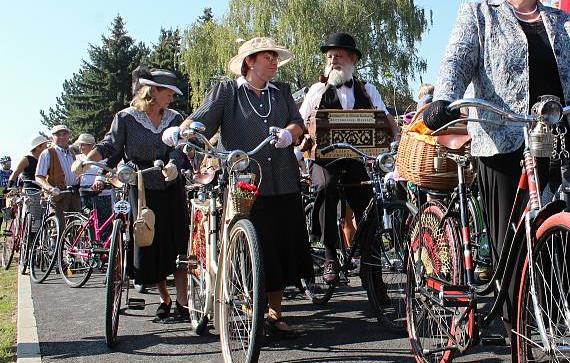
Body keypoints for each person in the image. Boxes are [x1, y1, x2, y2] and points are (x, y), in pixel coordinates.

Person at [423, 0, 570, 363]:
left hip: (562, 143)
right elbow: (455, 64)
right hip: (506, 145)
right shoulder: (479, 15)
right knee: (517, 254)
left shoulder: (563, 23)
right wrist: (443, 101)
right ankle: (527, 353)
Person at [164, 36, 311, 338]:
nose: (274, 62)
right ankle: (245, 303)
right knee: (250, 245)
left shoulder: (281, 92)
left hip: (282, 178)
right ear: (250, 62)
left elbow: (299, 124)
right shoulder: (228, 92)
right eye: (267, 56)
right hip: (244, 180)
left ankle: (275, 312)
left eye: (275, 57)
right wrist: (181, 130)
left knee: (281, 244)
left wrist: (288, 133)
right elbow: (201, 119)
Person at [77, 67, 190, 323]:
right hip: (140, 186)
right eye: (169, 93)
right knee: (149, 242)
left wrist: (174, 163)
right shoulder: (126, 117)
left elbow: (179, 146)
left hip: (170, 184)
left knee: (177, 242)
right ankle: (165, 298)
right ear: (154, 92)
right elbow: (110, 145)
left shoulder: (174, 118)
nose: (172, 98)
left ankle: (183, 301)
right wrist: (86, 160)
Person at [299, 32, 401, 284]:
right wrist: (297, 153)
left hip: (357, 161)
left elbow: (384, 115)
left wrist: (397, 137)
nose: (333, 60)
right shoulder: (316, 90)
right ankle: (331, 255)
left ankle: (374, 278)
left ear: (352, 59)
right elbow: (300, 122)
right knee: (326, 186)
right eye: (330, 56)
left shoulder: (367, 89)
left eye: (339, 56)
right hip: (325, 160)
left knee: (370, 208)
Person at [35, 125, 81, 223]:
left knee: (76, 228)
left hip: (74, 193)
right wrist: (49, 188)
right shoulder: (47, 153)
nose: (61, 137)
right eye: (58, 135)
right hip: (58, 195)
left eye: (64, 134)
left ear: (68, 136)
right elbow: (39, 177)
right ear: (52, 138)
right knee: (59, 228)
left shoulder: (72, 153)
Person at [74, 133, 113, 240]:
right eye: (79, 145)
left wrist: (100, 180)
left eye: (83, 145)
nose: (80, 148)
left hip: (103, 194)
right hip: (86, 194)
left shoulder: (103, 159)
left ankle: (104, 250)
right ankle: (91, 246)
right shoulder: (79, 159)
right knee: (89, 223)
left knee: (104, 224)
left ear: (91, 146)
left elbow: (104, 171)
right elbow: (74, 172)